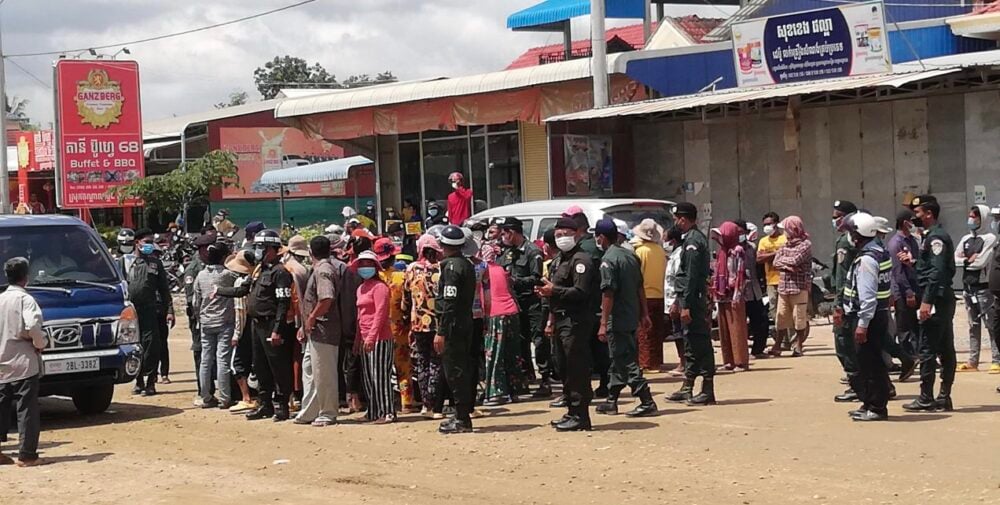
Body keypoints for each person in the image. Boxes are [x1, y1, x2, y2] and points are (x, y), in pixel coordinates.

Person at [593, 218, 657, 417]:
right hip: (631, 316)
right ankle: (611, 401)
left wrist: (603, 323)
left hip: (617, 319)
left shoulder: (608, 260)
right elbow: (640, 287)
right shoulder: (630, 256)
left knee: (625, 360)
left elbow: (608, 293)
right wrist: (644, 313)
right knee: (618, 360)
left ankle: (647, 400)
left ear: (601, 237)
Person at [536, 218, 596, 431]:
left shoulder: (581, 260)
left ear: (577, 233)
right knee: (562, 366)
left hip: (576, 321)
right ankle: (571, 410)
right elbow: (554, 293)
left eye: (566, 234)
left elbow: (581, 292)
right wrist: (550, 315)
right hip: (560, 320)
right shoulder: (559, 260)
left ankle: (581, 415)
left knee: (576, 367)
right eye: (558, 235)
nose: (562, 238)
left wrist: (555, 291)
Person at [229, 230, 295, 422]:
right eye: (257, 247)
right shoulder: (260, 270)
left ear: (273, 250)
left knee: (279, 366)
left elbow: (284, 303)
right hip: (256, 326)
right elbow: (243, 290)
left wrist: (277, 330)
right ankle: (265, 405)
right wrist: (221, 291)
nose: (258, 251)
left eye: (262, 247)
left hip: (271, 325)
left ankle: (282, 406)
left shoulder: (280, 273)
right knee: (260, 366)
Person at [904, 196, 958, 412]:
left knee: (928, 348)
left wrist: (926, 302)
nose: (913, 216)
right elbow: (932, 268)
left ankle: (927, 397)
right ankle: (943, 397)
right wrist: (914, 263)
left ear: (928, 213)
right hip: (941, 298)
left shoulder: (936, 238)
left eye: (917, 212)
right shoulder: (930, 237)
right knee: (945, 347)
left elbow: (937, 272)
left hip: (936, 299)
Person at [841, 213, 892, 422]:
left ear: (859, 234)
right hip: (876, 316)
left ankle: (877, 407)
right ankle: (869, 403)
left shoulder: (868, 259)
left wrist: (862, 324)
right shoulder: (879, 252)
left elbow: (868, 296)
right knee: (868, 362)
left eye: (852, 232)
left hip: (868, 318)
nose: (849, 237)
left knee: (871, 364)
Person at [665, 203, 714, 406]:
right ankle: (688, 387)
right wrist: (679, 301)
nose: (676, 223)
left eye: (677, 219)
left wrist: (686, 305)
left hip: (693, 301)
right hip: (687, 299)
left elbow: (692, 277)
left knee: (700, 342)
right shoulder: (688, 240)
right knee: (690, 343)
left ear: (684, 219)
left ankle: (707, 390)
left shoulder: (694, 241)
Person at [0, 257, 46, 467]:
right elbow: (33, 327)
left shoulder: (1, 300)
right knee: (26, 408)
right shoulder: (26, 300)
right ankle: (27, 455)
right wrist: (40, 343)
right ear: (26, 277)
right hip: (23, 363)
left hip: (1, 362)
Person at [294, 236, 344, 426]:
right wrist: (305, 325)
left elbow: (326, 298)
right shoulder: (320, 269)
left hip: (324, 329)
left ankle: (328, 412)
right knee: (311, 371)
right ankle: (309, 411)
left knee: (324, 373)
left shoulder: (323, 270)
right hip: (314, 330)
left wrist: (312, 318)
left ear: (310, 252)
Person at [495, 217, 547, 397]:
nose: (502, 236)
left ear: (512, 232)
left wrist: (516, 281)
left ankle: (545, 380)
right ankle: (524, 378)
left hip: (532, 302)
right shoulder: (507, 252)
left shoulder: (533, 251)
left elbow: (537, 277)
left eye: (504, 233)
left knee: (538, 340)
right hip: (514, 304)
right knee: (520, 342)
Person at [434, 226, 478, 434]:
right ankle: (462, 413)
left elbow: (449, 302)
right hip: (463, 322)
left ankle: (462, 417)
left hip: (453, 325)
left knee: (455, 370)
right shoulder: (466, 264)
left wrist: (441, 331)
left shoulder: (451, 268)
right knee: (460, 368)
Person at [563, 206, 609, 398]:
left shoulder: (585, 249)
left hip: (586, 304)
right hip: (595, 303)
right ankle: (604, 385)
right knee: (598, 350)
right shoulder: (590, 246)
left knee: (586, 350)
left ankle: (587, 390)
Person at [127, 229, 174, 397]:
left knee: (152, 346)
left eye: (150, 242)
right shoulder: (125, 263)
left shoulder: (155, 263)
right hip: (130, 312)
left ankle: (151, 382)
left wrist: (170, 310)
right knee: (135, 346)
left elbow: (164, 290)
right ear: (137, 242)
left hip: (151, 310)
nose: (148, 245)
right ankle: (138, 381)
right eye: (145, 242)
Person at [351, 250, 396, 424]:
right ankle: (374, 410)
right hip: (364, 336)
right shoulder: (361, 288)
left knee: (380, 377)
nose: (364, 267)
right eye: (361, 264)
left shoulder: (380, 287)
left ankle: (387, 412)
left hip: (380, 338)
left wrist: (371, 337)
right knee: (369, 378)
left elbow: (381, 314)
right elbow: (360, 315)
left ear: (375, 267)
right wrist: (358, 339)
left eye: (367, 264)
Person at [403, 234, 444, 418]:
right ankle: (436, 405)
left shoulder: (411, 269)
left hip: (418, 324)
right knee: (436, 363)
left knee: (422, 363)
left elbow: (405, 298)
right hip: (438, 323)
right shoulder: (441, 269)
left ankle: (426, 406)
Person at [955, 205, 999, 372]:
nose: (971, 219)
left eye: (975, 216)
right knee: (973, 325)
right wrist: (968, 260)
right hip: (968, 288)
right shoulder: (966, 239)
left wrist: (967, 260)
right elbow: (955, 259)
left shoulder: (989, 238)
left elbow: (981, 262)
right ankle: (973, 361)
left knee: (991, 325)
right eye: (970, 216)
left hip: (983, 288)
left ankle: (996, 359)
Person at [192, 240, 236, 409]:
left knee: (206, 360)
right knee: (223, 360)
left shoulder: (201, 275)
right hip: (224, 322)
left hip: (205, 322)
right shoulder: (227, 275)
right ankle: (225, 397)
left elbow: (196, 302)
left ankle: (206, 396)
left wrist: (200, 317)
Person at [480, 242, 525, 405]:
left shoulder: (483, 272)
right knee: (511, 354)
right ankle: (514, 390)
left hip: (495, 314)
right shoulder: (501, 270)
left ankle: (495, 392)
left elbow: (485, 296)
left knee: (494, 354)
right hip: (512, 313)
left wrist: (483, 317)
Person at [374, 237, 415, 413]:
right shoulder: (401, 277)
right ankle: (407, 401)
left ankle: (385, 402)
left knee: (381, 367)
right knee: (403, 365)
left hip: (379, 328)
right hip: (400, 327)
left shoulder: (374, 279)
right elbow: (408, 302)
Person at [831, 200, 861, 401]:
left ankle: (856, 385)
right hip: (859, 299)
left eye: (838, 216)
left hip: (848, 300)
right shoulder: (857, 239)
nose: (834, 220)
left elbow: (843, 276)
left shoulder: (845, 242)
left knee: (844, 343)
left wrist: (838, 303)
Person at [711, 221, 750, 372]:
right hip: (722, 294)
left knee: (737, 328)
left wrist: (736, 295)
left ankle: (741, 361)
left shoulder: (737, 251)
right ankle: (728, 360)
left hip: (734, 294)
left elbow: (740, 274)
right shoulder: (722, 251)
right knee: (724, 329)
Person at [887, 208, 921, 381]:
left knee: (916, 326)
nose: (913, 222)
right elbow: (898, 272)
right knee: (904, 327)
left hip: (916, 288)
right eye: (910, 220)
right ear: (903, 222)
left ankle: (917, 355)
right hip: (902, 291)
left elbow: (917, 261)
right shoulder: (896, 243)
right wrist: (908, 292)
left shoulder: (913, 241)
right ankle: (908, 356)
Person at [772, 217, 812, 359]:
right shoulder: (785, 245)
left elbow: (796, 260)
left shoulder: (806, 245)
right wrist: (787, 266)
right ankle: (778, 345)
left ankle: (799, 345)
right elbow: (775, 262)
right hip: (784, 287)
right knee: (781, 316)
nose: (784, 232)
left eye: (786, 229)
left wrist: (785, 263)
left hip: (799, 286)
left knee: (799, 317)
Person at [185, 232, 217, 405]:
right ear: (204, 249)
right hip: (199, 319)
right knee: (201, 352)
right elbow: (192, 300)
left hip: (213, 318)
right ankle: (203, 390)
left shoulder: (211, 265)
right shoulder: (193, 269)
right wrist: (199, 319)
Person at [631, 218, 667, 372]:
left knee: (644, 332)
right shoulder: (660, 251)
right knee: (657, 331)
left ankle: (646, 363)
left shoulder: (640, 252)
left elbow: (638, 276)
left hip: (645, 295)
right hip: (660, 294)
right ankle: (656, 361)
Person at [224, 252, 258, 414]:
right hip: (257, 326)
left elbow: (240, 312)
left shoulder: (241, 282)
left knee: (236, 364)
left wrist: (236, 334)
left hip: (245, 328)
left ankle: (246, 398)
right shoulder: (256, 280)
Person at [736, 221, 769, 359]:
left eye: (741, 232)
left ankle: (758, 349)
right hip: (739, 293)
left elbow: (758, 267)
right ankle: (739, 352)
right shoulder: (732, 249)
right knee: (739, 324)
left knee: (761, 321)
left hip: (754, 290)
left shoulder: (752, 247)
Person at [756, 212, 787, 351]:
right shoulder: (763, 241)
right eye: (765, 225)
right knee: (774, 311)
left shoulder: (785, 239)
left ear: (776, 224)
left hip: (786, 280)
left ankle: (789, 342)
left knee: (787, 310)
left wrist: (767, 255)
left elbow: (787, 254)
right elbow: (759, 259)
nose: (767, 227)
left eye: (769, 224)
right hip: (771, 280)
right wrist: (776, 253)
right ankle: (780, 338)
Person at [662, 226, 686, 376]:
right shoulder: (672, 256)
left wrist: (676, 302)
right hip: (671, 300)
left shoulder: (679, 257)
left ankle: (684, 363)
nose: (664, 242)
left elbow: (680, 280)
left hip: (676, 301)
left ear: (673, 241)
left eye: (666, 239)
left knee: (680, 333)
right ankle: (683, 361)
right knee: (677, 331)